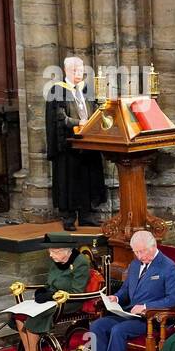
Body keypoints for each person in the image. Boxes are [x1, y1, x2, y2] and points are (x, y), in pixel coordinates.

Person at [86, 231, 175, 351]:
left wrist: (146, 307)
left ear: (154, 246)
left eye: (142, 251)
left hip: (152, 319)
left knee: (118, 330)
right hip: (130, 313)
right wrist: (116, 297)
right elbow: (126, 289)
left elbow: (174, 299)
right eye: (135, 252)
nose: (139, 255)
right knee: (97, 326)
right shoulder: (136, 264)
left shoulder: (169, 266)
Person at [11, 234, 92, 351]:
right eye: (49, 252)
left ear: (63, 250)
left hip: (69, 301)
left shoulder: (80, 262)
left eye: (53, 252)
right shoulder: (57, 260)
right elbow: (50, 284)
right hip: (52, 298)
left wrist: (51, 296)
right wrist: (44, 292)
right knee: (19, 315)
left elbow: (77, 291)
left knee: (34, 315)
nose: (50, 255)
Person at [45, 56, 105, 230]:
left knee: (88, 179)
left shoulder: (87, 89)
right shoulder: (57, 91)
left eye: (80, 70)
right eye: (75, 70)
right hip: (68, 145)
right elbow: (59, 118)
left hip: (88, 143)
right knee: (68, 182)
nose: (78, 73)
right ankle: (68, 218)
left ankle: (87, 215)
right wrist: (78, 123)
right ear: (66, 71)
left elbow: (96, 110)